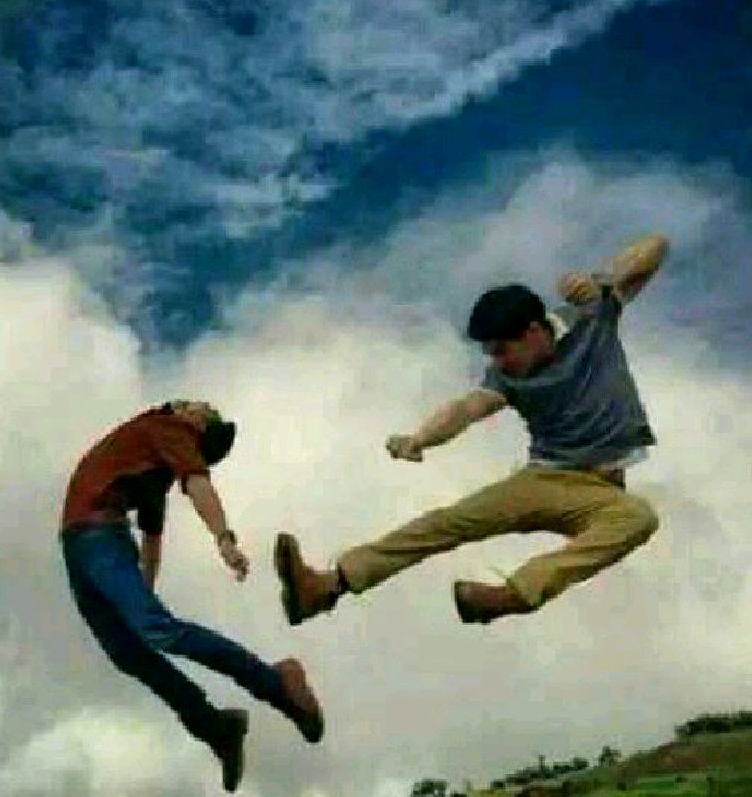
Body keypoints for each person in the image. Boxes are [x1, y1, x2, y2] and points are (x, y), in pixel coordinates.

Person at [275, 233, 668, 626]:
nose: (499, 362)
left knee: (637, 518)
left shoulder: (590, 317)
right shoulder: (505, 377)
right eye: (490, 353)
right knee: (446, 523)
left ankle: (511, 596)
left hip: (601, 491)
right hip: (546, 478)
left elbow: (656, 247)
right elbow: (468, 408)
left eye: (502, 350)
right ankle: (324, 588)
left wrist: (602, 280)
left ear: (534, 332)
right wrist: (420, 439)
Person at [60, 400, 324, 794]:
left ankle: (278, 684)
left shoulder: (174, 429)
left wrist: (224, 539)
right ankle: (216, 727)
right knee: (128, 652)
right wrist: (140, 601)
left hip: (98, 537)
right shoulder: (151, 454)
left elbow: (197, 485)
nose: (195, 404)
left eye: (201, 409)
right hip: (78, 545)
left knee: (158, 631)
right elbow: (151, 543)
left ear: (197, 426)